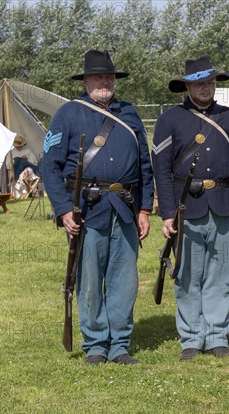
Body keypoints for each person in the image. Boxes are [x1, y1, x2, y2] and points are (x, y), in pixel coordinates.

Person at [42, 49, 155, 365]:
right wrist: (64, 209)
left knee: (124, 279)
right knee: (89, 281)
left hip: (125, 207)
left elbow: (144, 166)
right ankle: (95, 344)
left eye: (109, 77)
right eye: (98, 77)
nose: (104, 82)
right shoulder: (68, 114)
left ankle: (119, 343)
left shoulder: (129, 113)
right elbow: (49, 166)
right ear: (86, 80)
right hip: (86, 211)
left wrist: (145, 209)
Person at [152, 56, 229, 361]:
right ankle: (192, 338)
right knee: (187, 274)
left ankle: (217, 335)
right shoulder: (170, 119)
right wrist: (168, 212)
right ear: (187, 86)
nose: (205, 88)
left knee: (221, 276)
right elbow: (161, 169)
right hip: (186, 207)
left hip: (223, 204)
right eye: (199, 83)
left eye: (209, 82)